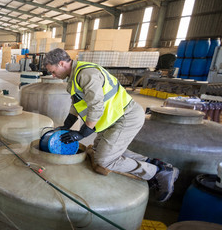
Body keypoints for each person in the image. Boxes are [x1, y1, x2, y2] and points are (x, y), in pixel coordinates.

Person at [43, 48, 179, 202]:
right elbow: (77, 105)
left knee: (104, 160)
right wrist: (67, 125)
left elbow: (96, 106)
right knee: (97, 150)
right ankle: (158, 164)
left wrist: (83, 133)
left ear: (61, 63)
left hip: (125, 117)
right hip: (112, 119)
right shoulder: (74, 78)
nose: (53, 76)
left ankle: (155, 172)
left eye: (53, 71)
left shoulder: (86, 74)